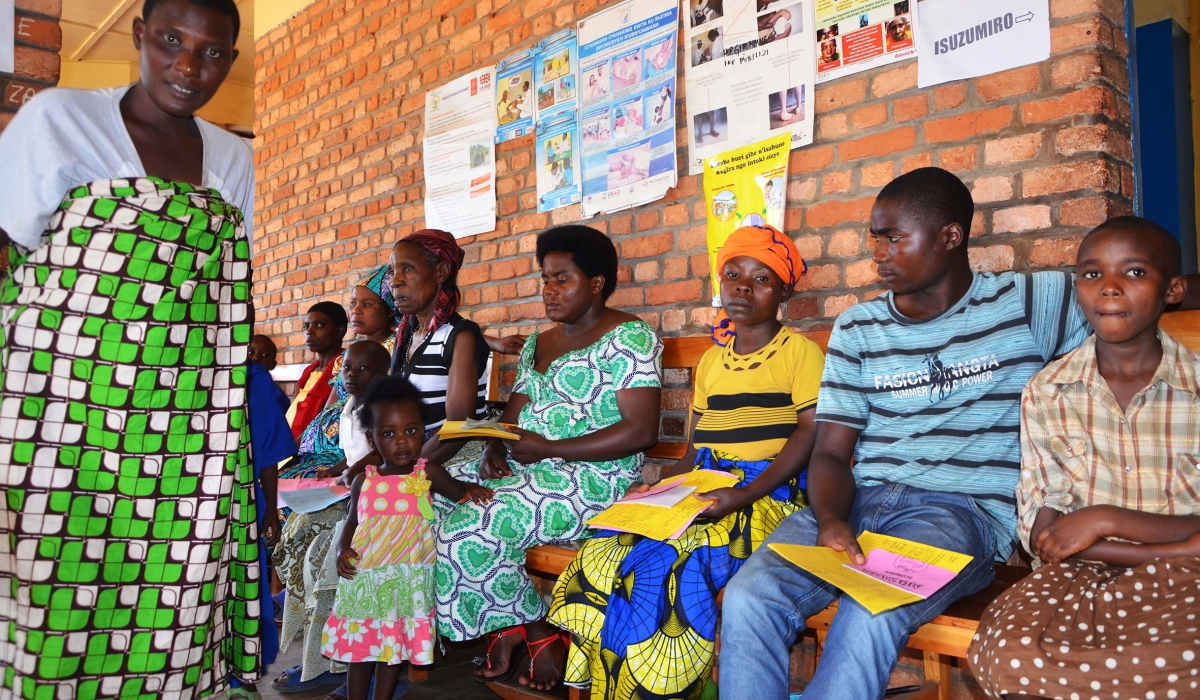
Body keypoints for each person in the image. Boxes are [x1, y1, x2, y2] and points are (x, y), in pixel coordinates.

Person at [716, 168, 1200, 700]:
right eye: (875, 237)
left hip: (957, 514)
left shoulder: (1026, 303)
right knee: (750, 594)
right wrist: (830, 520)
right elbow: (831, 452)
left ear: (951, 237)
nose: (878, 250)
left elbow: (1138, 286)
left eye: (893, 237)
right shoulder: (858, 328)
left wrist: (1174, 287)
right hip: (857, 503)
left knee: (873, 605)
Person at [0, 0, 259, 696]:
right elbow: (14, 253)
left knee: (174, 584)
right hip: (62, 413)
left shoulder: (234, 158)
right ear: (139, 35)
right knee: (56, 582)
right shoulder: (59, 120)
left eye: (211, 52)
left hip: (178, 424)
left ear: (229, 63)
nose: (188, 65)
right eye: (172, 41)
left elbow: (222, 290)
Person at [547, 224, 823, 698]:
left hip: (768, 494)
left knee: (671, 564)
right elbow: (693, 452)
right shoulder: (714, 362)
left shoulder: (800, 354)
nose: (742, 286)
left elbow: (810, 434)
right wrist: (657, 490)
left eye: (761, 278)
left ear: (784, 291)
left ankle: (669, 689)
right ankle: (615, 687)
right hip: (705, 485)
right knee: (603, 548)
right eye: (733, 274)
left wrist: (743, 493)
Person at [968, 218, 1200, 700]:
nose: (1110, 288)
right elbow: (1045, 539)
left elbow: (1074, 532)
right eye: (1092, 275)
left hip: (1189, 578)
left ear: (1173, 289)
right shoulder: (1048, 391)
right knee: (1004, 653)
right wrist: (1178, 542)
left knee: (1184, 659)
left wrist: (1102, 519)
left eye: (1134, 273)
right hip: (1078, 576)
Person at [435, 225, 663, 690]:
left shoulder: (631, 337)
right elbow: (515, 415)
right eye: (545, 279)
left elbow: (640, 431)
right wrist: (495, 447)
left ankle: (536, 633)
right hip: (530, 467)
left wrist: (550, 449)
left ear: (597, 283)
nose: (549, 291)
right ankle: (521, 626)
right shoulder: (540, 343)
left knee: (472, 522)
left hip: (594, 478)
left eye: (562, 279)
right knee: (423, 492)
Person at [322, 375, 494, 700]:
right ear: (372, 441)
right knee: (362, 655)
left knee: (392, 654)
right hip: (367, 580)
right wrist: (342, 547)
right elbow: (351, 522)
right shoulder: (364, 481)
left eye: (411, 431)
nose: (402, 441)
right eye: (389, 434)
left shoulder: (426, 473)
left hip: (406, 582)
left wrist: (471, 490)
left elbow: (458, 491)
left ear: (423, 432)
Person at [271, 341, 393, 696]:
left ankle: (336, 660)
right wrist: (333, 471)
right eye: (347, 368)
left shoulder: (382, 407)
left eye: (363, 369)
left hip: (376, 496)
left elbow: (380, 454)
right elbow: (349, 454)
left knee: (323, 553)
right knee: (297, 526)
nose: (352, 375)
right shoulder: (349, 407)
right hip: (352, 488)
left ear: (383, 374)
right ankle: (318, 649)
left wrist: (351, 472)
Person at [240, 334, 297, 699]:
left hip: (245, 497)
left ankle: (243, 673)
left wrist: (272, 509)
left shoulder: (257, 382)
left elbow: (267, 457)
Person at [289, 301, 351, 439]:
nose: (309, 332)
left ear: (339, 331)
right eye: (306, 326)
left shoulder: (345, 368)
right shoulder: (309, 371)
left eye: (320, 325)